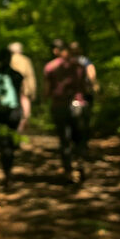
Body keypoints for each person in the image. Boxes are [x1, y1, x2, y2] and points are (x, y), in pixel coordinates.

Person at [0, 48, 31, 189]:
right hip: (13, 113)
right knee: (9, 144)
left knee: (2, 143)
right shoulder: (17, 75)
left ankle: (3, 170)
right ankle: (8, 175)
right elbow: (23, 96)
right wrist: (26, 115)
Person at [43, 40, 90, 183]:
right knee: (79, 138)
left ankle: (68, 171)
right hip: (78, 105)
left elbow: (47, 90)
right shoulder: (79, 66)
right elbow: (85, 87)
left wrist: (47, 99)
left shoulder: (50, 66)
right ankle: (80, 163)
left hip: (59, 106)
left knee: (64, 139)